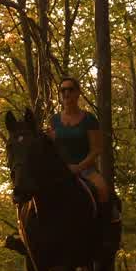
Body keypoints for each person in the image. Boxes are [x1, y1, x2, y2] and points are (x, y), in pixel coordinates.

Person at [46, 77, 118, 221]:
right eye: (62, 90)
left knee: (103, 190)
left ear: (78, 93)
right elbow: (51, 149)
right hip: (60, 171)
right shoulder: (53, 121)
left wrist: (78, 167)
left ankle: (107, 233)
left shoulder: (89, 119)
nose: (66, 93)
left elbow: (96, 149)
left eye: (70, 89)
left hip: (87, 171)